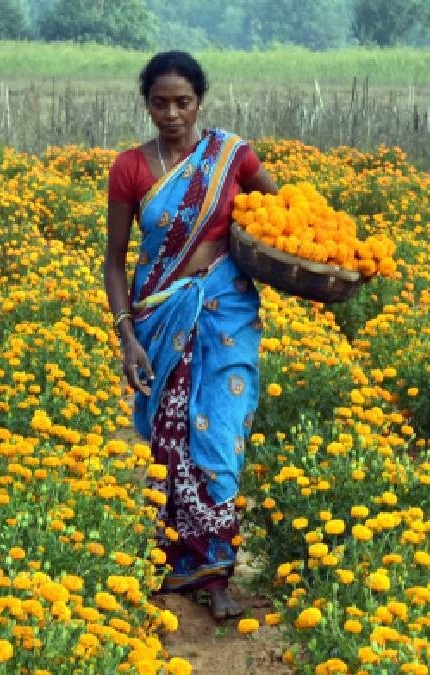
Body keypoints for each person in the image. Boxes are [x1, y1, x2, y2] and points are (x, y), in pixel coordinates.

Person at [104, 51, 278, 621]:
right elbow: (114, 261)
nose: (173, 113)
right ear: (146, 103)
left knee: (220, 436)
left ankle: (218, 571)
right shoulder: (130, 168)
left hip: (226, 314)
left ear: (200, 100)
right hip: (160, 319)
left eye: (183, 101)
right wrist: (128, 337)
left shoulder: (232, 156)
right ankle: (174, 563)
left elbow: (279, 214)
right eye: (160, 102)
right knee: (170, 439)